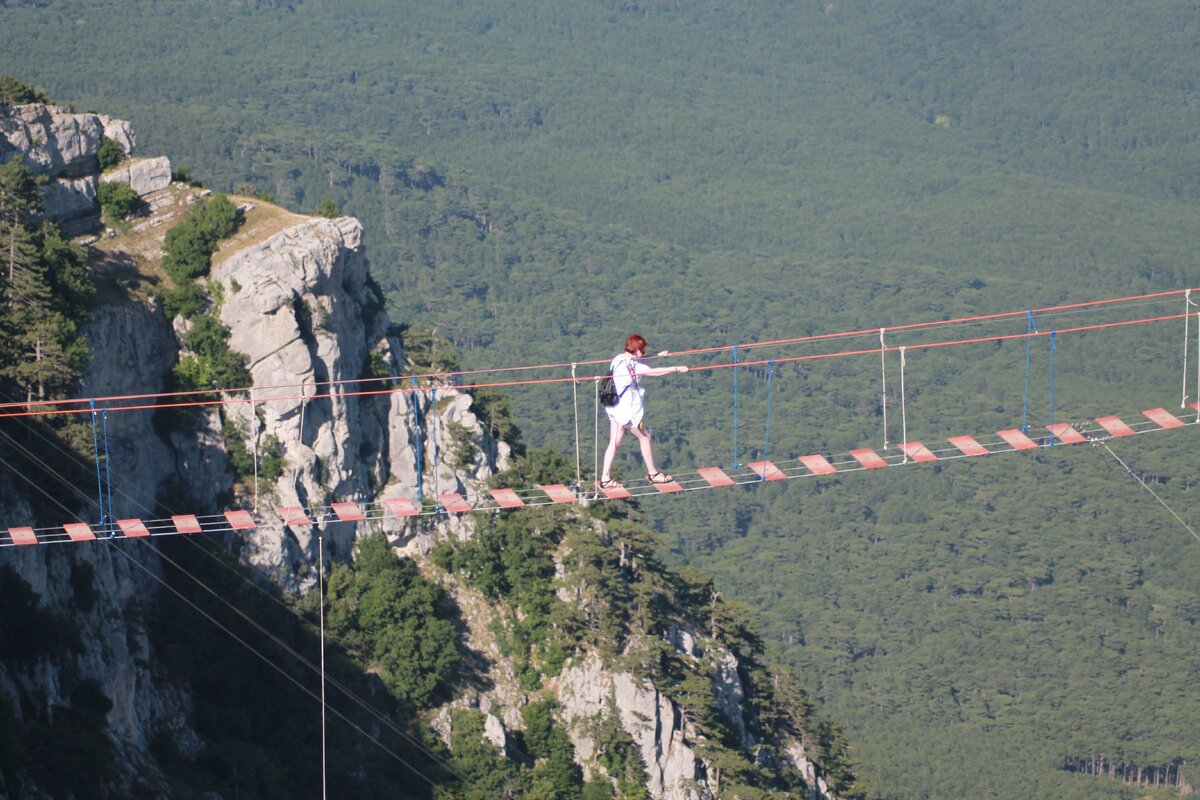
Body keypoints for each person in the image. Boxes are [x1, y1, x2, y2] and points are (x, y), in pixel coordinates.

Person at [598, 334, 688, 489]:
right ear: (637, 349)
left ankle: (605, 478)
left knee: (615, 442)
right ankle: (653, 474)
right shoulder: (634, 366)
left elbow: (640, 363)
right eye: (643, 350)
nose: (644, 353)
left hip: (614, 408)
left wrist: (658, 356)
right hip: (627, 412)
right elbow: (652, 372)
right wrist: (676, 369)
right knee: (645, 437)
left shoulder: (619, 359)